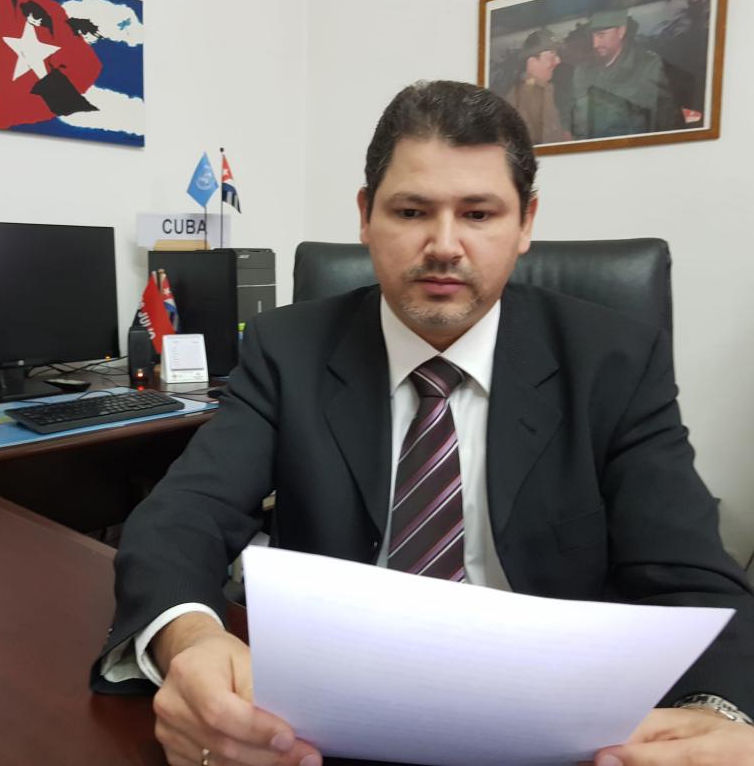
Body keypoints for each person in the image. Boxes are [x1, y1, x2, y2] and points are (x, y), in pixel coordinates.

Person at [92, 80, 754, 766]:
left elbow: (695, 582)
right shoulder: (288, 349)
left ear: (525, 223)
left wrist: (716, 717)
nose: (444, 245)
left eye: (478, 213)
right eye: (411, 211)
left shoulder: (614, 360)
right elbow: (183, 516)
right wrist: (192, 641)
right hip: (322, 726)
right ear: (365, 216)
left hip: (554, 730)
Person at [568, 9, 683, 139]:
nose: (595, 44)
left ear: (621, 31)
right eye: (593, 36)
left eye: (601, 35)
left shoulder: (648, 66)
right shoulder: (583, 72)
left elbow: (667, 119)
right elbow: (581, 122)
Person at [503, 29, 571, 145]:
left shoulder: (541, 90)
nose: (558, 60)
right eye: (552, 55)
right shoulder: (524, 96)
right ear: (532, 61)